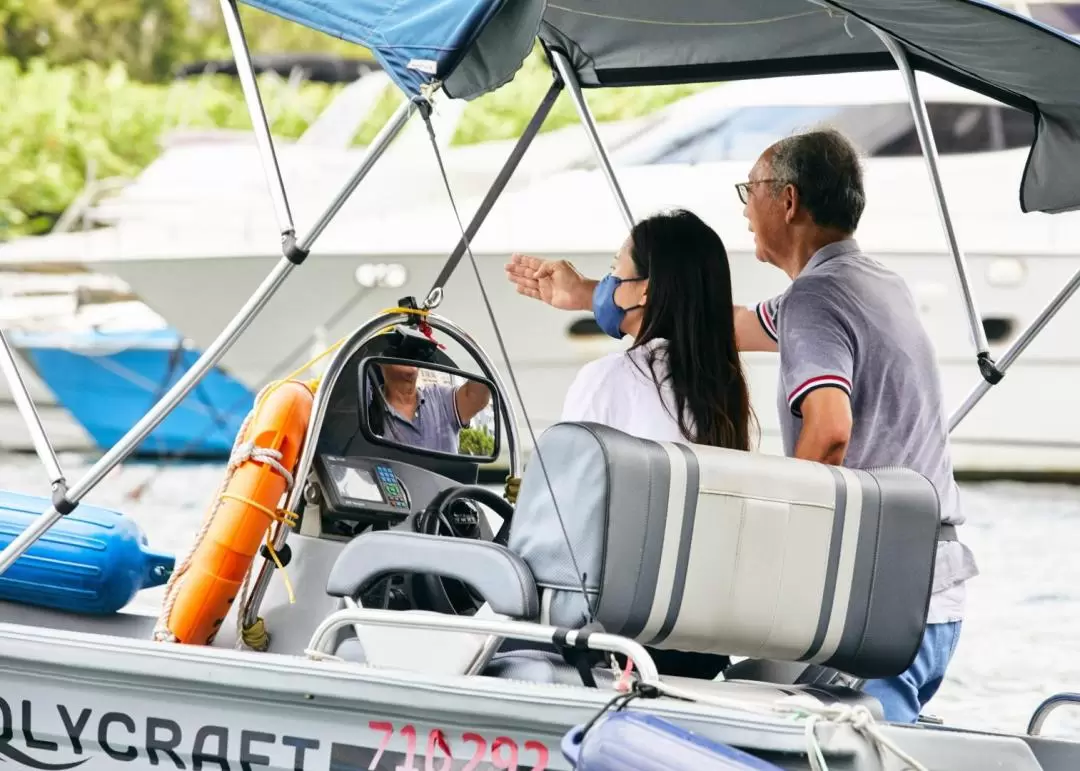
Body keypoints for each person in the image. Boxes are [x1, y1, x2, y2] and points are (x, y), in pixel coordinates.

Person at [504, 127, 977, 724]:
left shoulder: (815, 299)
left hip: (882, 597)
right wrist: (595, 297)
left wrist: (783, 551)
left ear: (787, 200)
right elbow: (714, 321)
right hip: (929, 589)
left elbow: (830, 427)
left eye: (748, 190)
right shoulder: (872, 283)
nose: (744, 210)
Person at [561, 208, 756, 451]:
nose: (606, 281)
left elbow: (565, 479)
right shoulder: (725, 386)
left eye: (614, 268)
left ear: (646, 291)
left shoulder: (608, 377)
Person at [372, 362, 491, 454]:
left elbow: (478, 395)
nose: (407, 352)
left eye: (413, 349)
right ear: (379, 360)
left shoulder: (440, 397)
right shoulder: (370, 408)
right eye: (396, 348)